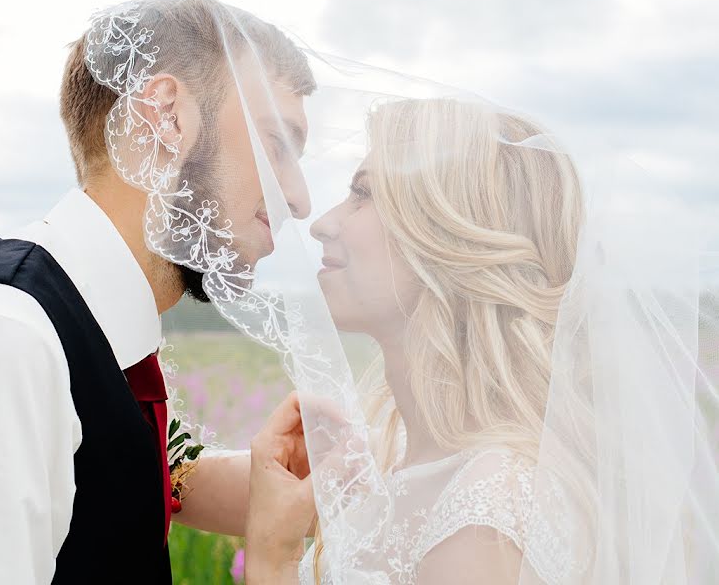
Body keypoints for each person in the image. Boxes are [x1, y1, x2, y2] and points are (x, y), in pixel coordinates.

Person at [0, 0, 314, 583]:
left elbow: (122, 473)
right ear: (166, 117)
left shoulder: (78, 339)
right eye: (275, 144)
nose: (300, 198)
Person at [245, 95, 719, 583]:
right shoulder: (416, 449)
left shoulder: (485, 517)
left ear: (450, 237)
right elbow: (208, 487)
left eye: (363, 194)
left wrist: (272, 555)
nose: (323, 224)